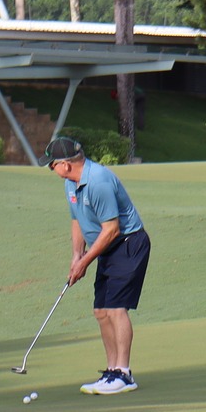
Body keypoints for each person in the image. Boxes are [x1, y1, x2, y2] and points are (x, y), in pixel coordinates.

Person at [45, 135, 151, 395]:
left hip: (127, 243)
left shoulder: (98, 181)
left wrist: (85, 261)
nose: (50, 169)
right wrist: (75, 256)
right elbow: (77, 220)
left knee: (116, 309)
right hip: (106, 248)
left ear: (66, 164)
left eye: (52, 164)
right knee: (101, 311)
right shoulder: (71, 183)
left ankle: (124, 374)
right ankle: (111, 372)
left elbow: (112, 229)